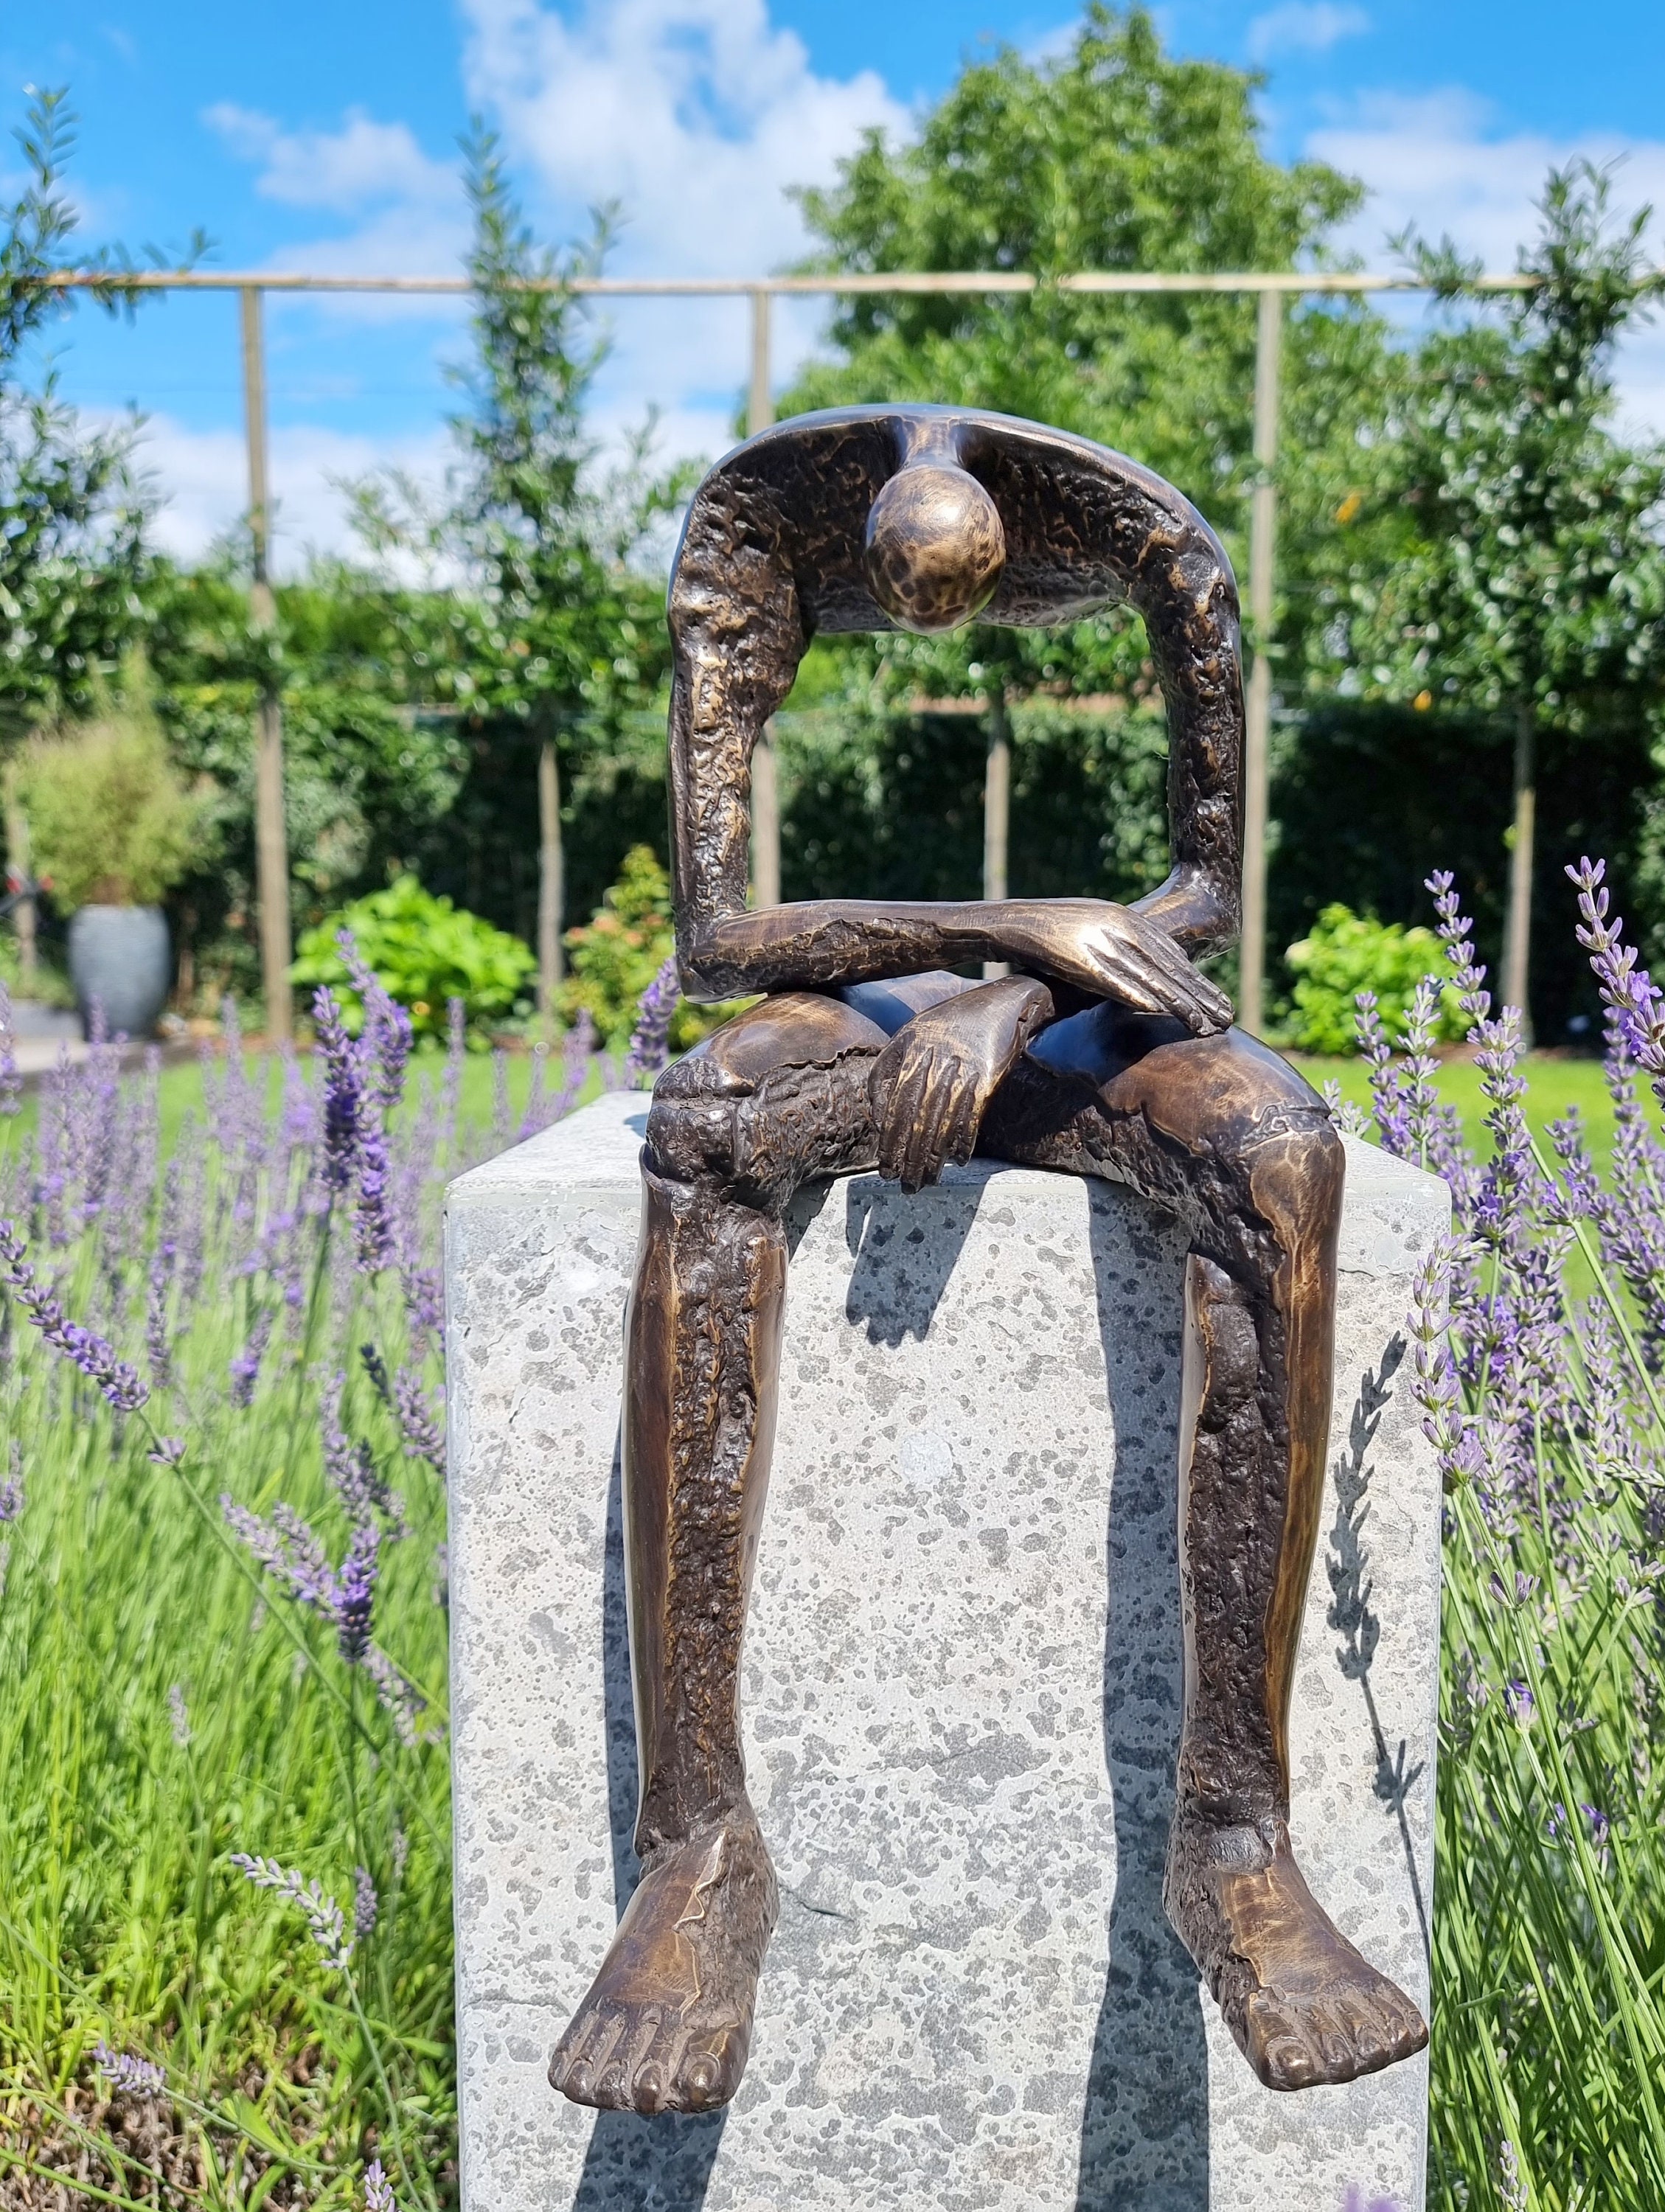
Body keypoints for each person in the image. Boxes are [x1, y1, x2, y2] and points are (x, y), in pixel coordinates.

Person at [549, 405, 1428, 2115]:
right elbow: (721, 942)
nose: (931, 635)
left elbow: (1201, 899)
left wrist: (1023, 995)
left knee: (1277, 1155)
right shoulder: (749, 535)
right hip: (912, 987)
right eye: (895, 608)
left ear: (1022, 543)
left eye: (968, 603)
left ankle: (1236, 1834)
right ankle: (697, 1840)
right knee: (711, 1120)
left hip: (1088, 1002)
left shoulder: (1162, 553)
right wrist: (1005, 932)